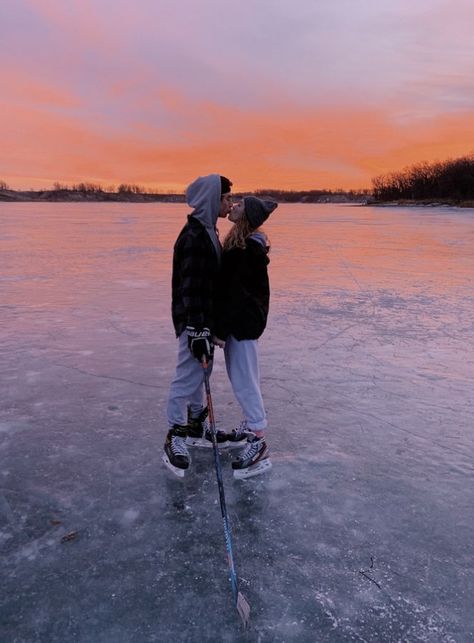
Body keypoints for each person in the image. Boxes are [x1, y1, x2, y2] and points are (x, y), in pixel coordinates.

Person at [163, 174, 233, 477]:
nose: (230, 203)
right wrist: (196, 330)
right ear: (211, 200)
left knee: (198, 375)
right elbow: (191, 288)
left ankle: (196, 427)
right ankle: (175, 436)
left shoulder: (207, 230)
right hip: (195, 321)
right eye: (226, 198)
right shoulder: (195, 237)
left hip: (202, 321)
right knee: (186, 377)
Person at [215, 196, 278, 479]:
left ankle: (258, 439)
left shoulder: (245, 250)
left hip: (242, 324)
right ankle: (252, 425)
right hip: (242, 323)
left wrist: (220, 329)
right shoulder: (241, 244)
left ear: (246, 216)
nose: (234, 206)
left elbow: (235, 295)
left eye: (239, 204)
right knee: (241, 375)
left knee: (244, 379)